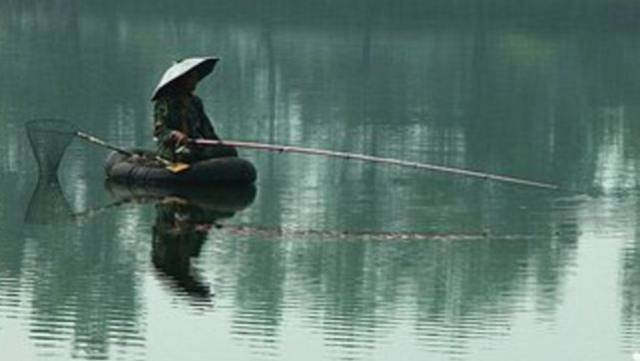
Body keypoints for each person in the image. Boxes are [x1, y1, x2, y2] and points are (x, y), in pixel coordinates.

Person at [151, 57, 237, 163]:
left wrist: (217, 144)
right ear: (181, 80)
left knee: (229, 151)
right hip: (173, 149)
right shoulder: (164, 103)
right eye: (192, 78)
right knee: (186, 156)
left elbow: (207, 130)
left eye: (196, 77)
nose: (195, 81)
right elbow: (160, 132)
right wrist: (175, 134)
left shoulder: (195, 102)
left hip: (195, 146)